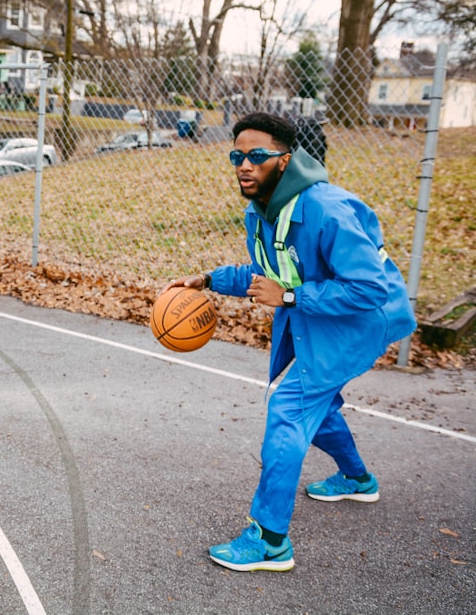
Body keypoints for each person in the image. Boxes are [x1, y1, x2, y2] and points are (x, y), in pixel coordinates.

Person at [162, 112, 416, 572]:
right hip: (322, 312)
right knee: (317, 406)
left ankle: (270, 540)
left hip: (362, 318)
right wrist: (207, 280)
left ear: (285, 159)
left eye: (257, 156)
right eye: (237, 156)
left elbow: (370, 289)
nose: (244, 165)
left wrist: (292, 296)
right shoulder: (259, 212)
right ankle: (358, 479)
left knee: (289, 407)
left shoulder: (326, 209)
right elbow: (267, 274)